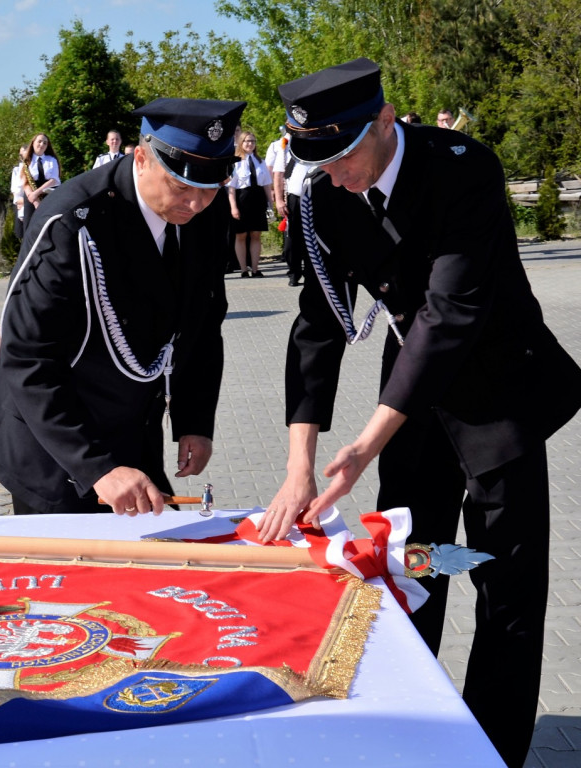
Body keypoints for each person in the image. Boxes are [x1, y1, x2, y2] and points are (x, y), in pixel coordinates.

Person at [259, 58, 581, 768]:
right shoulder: (322, 193)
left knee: (505, 584)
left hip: (499, 394)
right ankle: (415, 733)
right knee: (409, 567)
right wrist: (300, 465)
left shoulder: (463, 167)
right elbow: (318, 325)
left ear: (384, 120)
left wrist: (360, 449)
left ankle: (494, 749)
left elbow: (449, 315)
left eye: (343, 156)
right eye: (316, 159)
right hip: (412, 403)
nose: (335, 174)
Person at [0, 98, 243, 516]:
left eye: (210, 188)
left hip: (132, 430)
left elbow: (204, 321)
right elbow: (28, 357)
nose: (195, 203)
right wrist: (98, 468)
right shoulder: (73, 220)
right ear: (141, 158)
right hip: (54, 446)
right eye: (180, 186)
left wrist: (195, 420)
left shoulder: (204, 217)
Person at [226, 130, 273, 277]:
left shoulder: (260, 161)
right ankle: (243, 270)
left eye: (252, 141)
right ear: (241, 143)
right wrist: (233, 207)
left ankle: (255, 268)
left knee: (256, 234)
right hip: (242, 199)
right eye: (247, 141)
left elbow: (266, 184)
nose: (250, 144)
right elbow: (231, 187)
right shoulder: (235, 161)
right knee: (241, 235)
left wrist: (270, 204)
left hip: (258, 199)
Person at [271, 132, 312, 286]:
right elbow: (278, 174)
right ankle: (294, 272)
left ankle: (312, 272)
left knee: (312, 238)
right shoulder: (286, 144)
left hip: (313, 196)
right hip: (294, 197)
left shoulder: (315, 138)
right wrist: (280, 200)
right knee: (293, 238)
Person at [20, 133, 61, 233]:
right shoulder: (27, 161)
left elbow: (54, 180)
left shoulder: (52, 160)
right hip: (31, 196)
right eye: (39, 141)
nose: (42, 144)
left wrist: (37, 193)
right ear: (33, 143)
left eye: (45, 143)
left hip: (48, 193)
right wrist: (35, 200)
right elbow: (25, 183)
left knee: (48, 224)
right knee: (29, 227)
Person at [10, 144, 29, 238]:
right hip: (19, 204)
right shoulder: (17, 170)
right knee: (21, 233)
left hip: (31, 202)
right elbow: (15, 189)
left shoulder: (34, 169)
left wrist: (25, 201)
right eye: (21, 156)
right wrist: (19, 202)